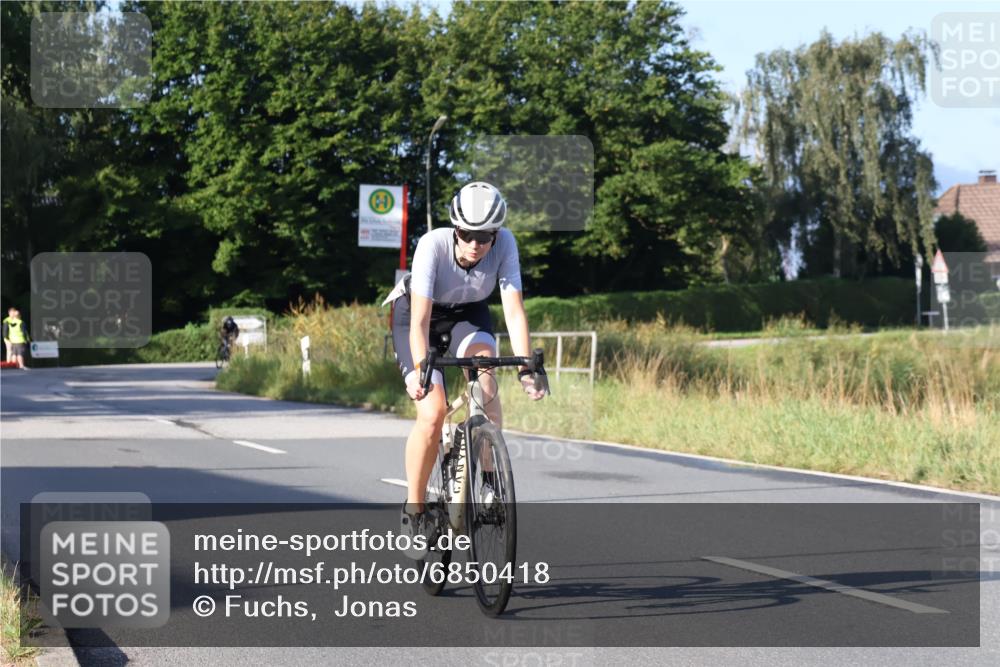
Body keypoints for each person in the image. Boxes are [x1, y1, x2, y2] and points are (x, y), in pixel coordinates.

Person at [386, 182, 546, 545]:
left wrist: (525, 370)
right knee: (432, 413)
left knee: (486, 380)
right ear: (455, 228)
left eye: (486, 235)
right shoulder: (433, 245)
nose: (476, 244)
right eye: (468, 233)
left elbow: (514, 310)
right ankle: (414, 509)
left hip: (468, 314)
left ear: (496, 232)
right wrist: (419, 371)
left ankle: (489, 483)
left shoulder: (505, 244)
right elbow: (420, 322)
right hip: (419, 315)